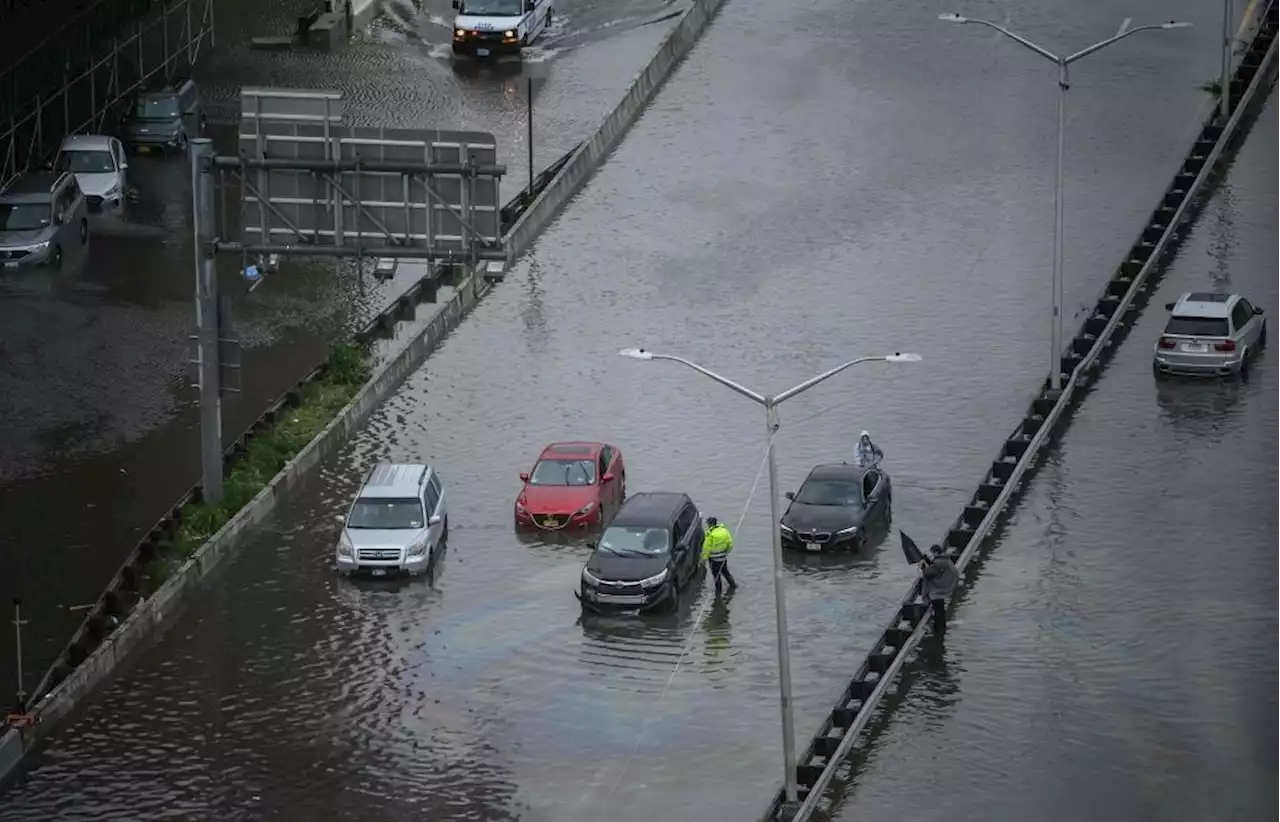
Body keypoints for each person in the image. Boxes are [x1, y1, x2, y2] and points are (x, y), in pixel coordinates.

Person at [920, 544, 961, 635]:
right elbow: (935, 567)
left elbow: (929, 572)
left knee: (938, 612)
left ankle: (937, 631)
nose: (932, 555)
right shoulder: (945, 559)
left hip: (937, 592)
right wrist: (927, 560)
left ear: (936, 552)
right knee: (941, 612)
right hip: (943, 591)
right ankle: (942, 629)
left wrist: (923, 568)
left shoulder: (939, 562)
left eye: (932, 553)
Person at [701, 516, 737, 595]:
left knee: (716, 576)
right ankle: (733, 586)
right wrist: (726, 553)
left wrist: (704, 559)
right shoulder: (724, 531)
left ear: (710, 524)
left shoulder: (710, 534)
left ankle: (718, 592)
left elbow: (707, 548)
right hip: (723, 558)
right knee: (725, 572)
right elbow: (730, 543)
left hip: (714, 560)